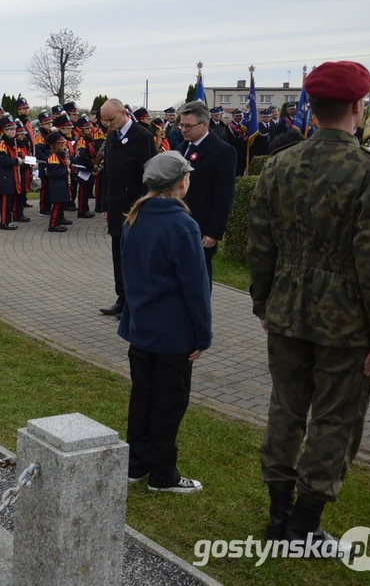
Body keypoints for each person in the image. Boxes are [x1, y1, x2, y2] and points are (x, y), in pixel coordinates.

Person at [248, 60, 370, 547]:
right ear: (359, 106)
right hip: (347, 321)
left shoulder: (278, 164)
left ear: (311, 106)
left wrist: (263, 304)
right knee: (336, 417)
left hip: (287, 309)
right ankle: (304, 524)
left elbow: (260, 244)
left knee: (286, 410)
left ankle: (278, 517)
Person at [119, 151, 210, 494]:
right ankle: (162, 475)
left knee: (142, 397)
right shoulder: (183, 225)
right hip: (173, 334)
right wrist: (203, 334)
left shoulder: (135, 217)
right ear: (180, 183)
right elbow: (196, 288)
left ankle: (135, 464)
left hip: (141, 327)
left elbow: (128, 275)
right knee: (169, 403)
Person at [99, 98, 157, 318]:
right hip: (116, 207)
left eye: (110, 119)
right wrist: (105, 204)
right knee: (118, 255)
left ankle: (134, 303)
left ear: (123, 112)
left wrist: (144, 204)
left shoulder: (142, 136)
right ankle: (121, 298)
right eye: (104, 121)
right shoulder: (112, 136)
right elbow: (108, 174)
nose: (107, 124)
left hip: (135, 206)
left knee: (134, 257)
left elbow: (149, 174)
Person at [176, 100, 236, 285]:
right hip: (178, 224)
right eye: (181, 125)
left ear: (204, 125)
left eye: (188, 126)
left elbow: (224, 195)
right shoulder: (181, 149)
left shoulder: (222, 151)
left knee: (198, 279)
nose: (183, 130)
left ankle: (200, 313)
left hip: (202, 227)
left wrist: (214, 232)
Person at [0, 117, 24, 230]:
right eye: (10, 129)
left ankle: (9, 220)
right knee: (6, 200)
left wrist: (22, 160)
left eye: (14, 129)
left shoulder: (14, 142)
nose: (13, 132)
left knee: (12, 199)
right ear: (5, 131)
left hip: (13, 175)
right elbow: (1, 160)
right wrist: (16, 161)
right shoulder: (2, 143)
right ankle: (4, 222)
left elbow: (18, 155)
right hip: (6, 175)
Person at [44, 131, 72, 232]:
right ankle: (53, 225)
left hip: (61, 184)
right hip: (56, 185)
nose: (64, 145)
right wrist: (66, 170)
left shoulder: (61, 155)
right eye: (61, 143)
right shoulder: (53, 157)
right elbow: (53, 172)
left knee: (61, 205)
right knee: (56, 206)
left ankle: (59, 221)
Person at [225, 109, 248, 176]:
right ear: (233, 117)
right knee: (235, 168)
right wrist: (242, 139)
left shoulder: (244, 126)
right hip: (235, 150)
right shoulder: (228, 126)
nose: (239, 117)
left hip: (244, 150)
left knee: (242, 167)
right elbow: (230, 139)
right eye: (237, 116)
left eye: (240, 116)